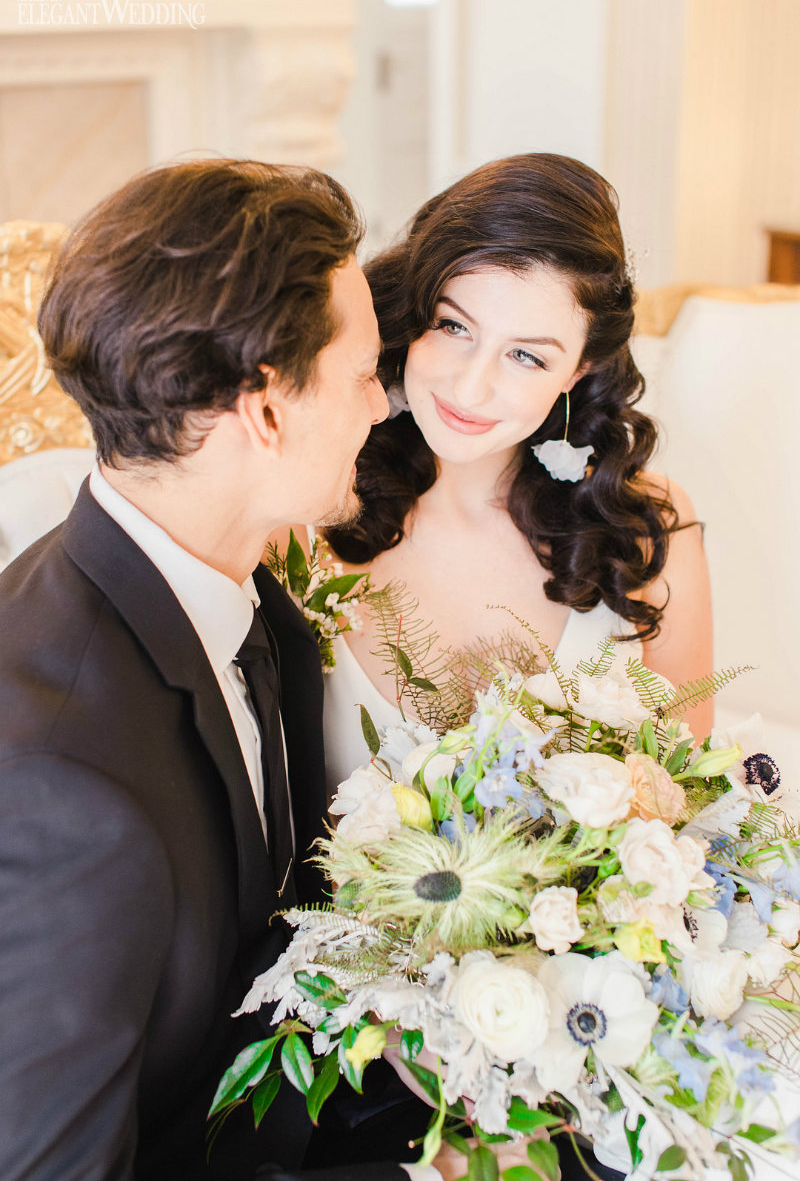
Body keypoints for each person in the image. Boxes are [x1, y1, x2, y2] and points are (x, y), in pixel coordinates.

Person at [0, 158, 518, 1181]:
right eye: (365, 373)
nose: (382, 409)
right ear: (266, 410)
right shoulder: (64, 787)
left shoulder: (240, 596)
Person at [311, 153, 713, 795]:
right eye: (453, 326)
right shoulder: (306, 516)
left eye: (525, 355)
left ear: (576, 373)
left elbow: (689, 801)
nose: (471, 387)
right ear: (414, 316)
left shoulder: (646, 528)